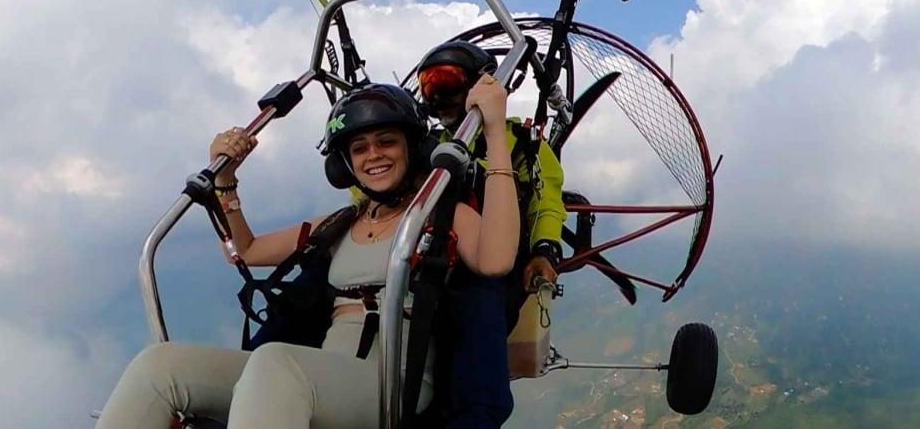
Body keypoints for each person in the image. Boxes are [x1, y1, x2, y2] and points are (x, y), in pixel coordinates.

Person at [94, 79, 519, 429]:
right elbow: (246, 250)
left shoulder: (437, 217)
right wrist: (226, 180)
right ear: (344, 165)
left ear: (412, 148)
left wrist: (496, 133)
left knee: (275, 363)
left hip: (392, 386)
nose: (374, 155)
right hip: (314, 375)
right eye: (359, 148)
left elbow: (497, 260)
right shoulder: (339, 224)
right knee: (160, 367)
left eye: (386, 142)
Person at [415, 40, 567, 295]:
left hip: (498, 267)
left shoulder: (522, 141)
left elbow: (545, 203)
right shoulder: (429, 148)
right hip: (432, 265)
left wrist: (545, 250)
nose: (438, 96)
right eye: (429, 87)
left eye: (447, 82)